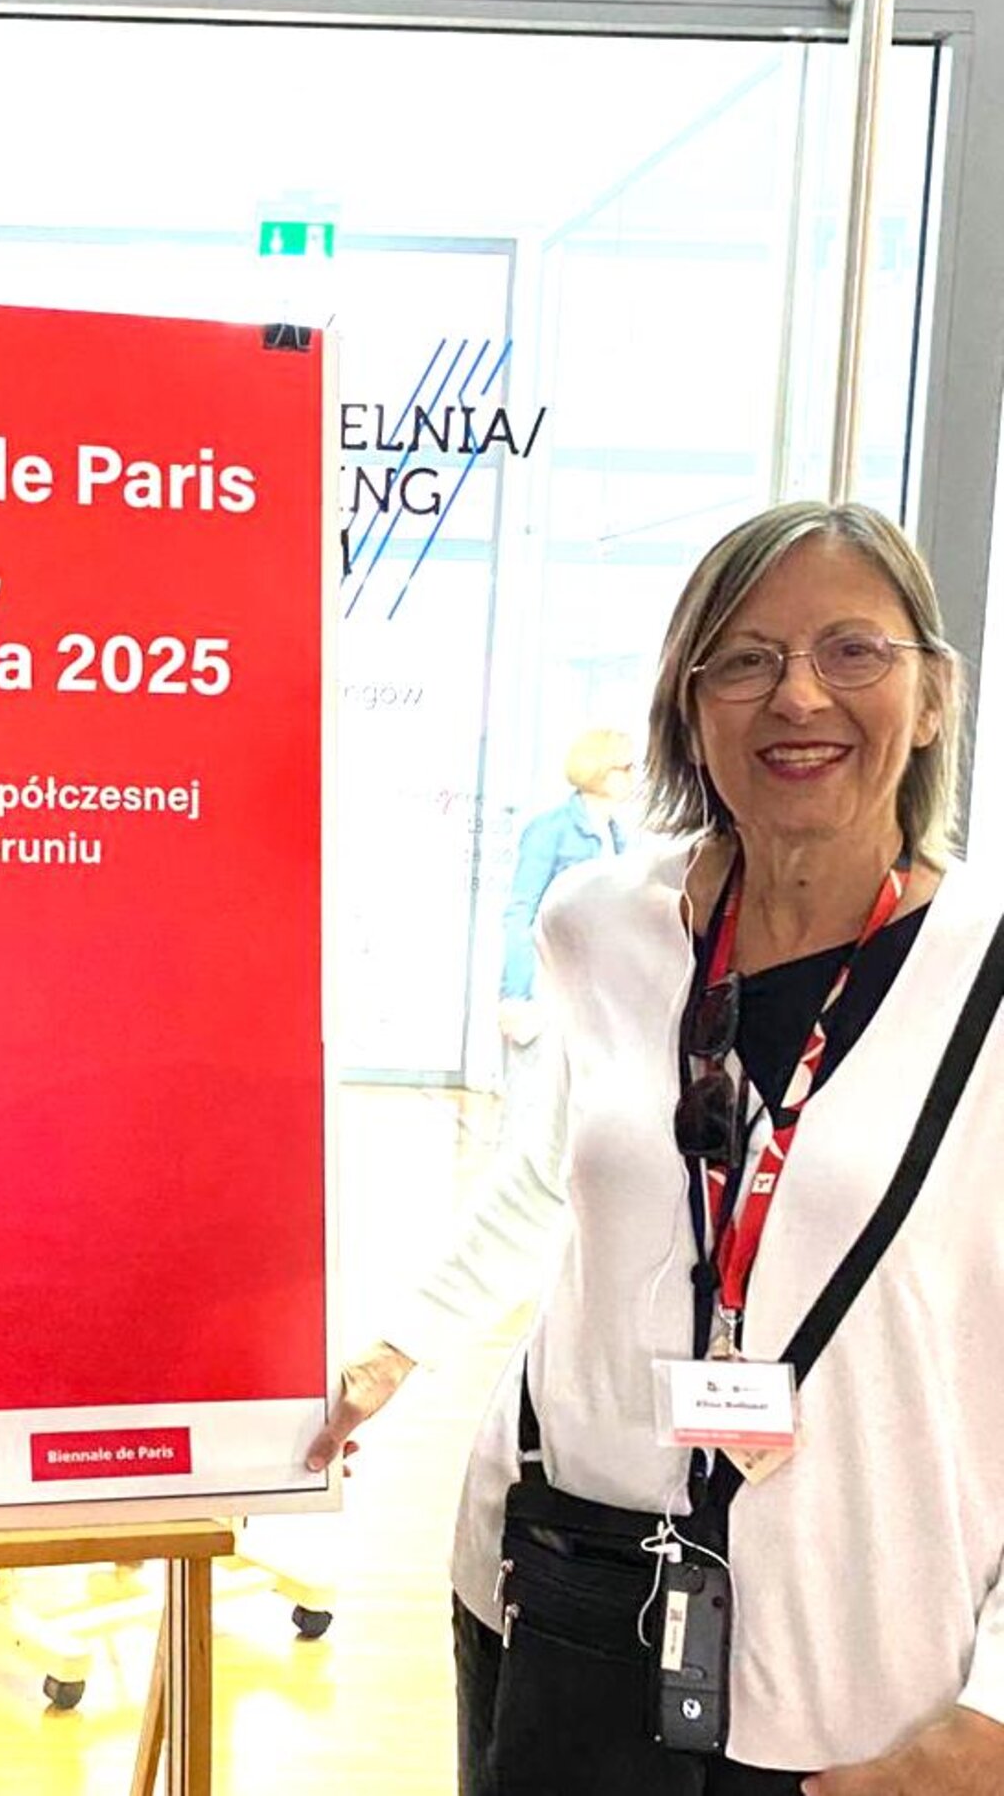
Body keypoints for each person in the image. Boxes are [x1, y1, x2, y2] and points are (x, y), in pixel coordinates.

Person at [310, 501, 1004, 1792]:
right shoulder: (600, 926)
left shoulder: (985, 972)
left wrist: (996, 1717)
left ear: (931, 700)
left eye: (852, 650)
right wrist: (395, 1346)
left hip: (867, 1679)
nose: (797, 695)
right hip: (567, 1585)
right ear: (690, 708)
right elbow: (556, 1167)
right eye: (743, 659)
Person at [496, 725, 635, 1050]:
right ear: (601, 771)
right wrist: (516, 994)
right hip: (549, 982)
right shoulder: (550, 830)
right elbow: (521, 912)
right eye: (626, 768)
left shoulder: (617, 836)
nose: (633, 776)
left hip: (594, 986)